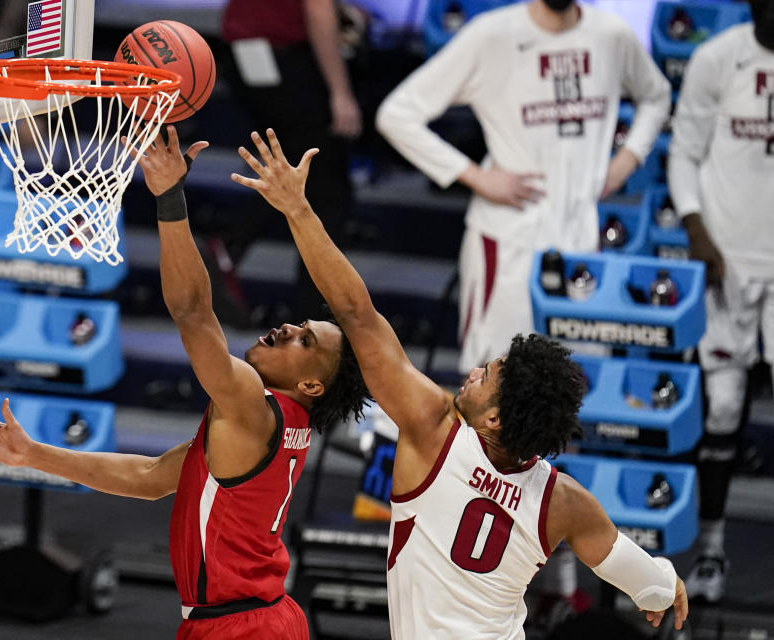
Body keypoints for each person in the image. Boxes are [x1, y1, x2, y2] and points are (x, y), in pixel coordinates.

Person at [229, 128, 688, 638]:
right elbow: (635, 571)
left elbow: (356, 313)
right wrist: (664, 586)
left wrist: (298, 210)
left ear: (494, 419)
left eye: (486, 376)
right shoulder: (565, 501)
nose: (472, 372)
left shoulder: (434, 429)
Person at [0, 126, 370, 639]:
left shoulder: (251, 408)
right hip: (256, 620)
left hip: (241, 627)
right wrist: (32, 454)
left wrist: (170, 196)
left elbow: (194, 313)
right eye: (301, 327)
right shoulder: (275, 424)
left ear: (311, 386)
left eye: (304, 342)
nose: (288, 329)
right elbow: (151, 476)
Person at [375, 0, 671, 374]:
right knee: (494, 384)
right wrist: (474, 176)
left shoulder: (610, 34)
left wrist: (628, 158)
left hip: (582, 242)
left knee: (576, 385)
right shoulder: (492, 34)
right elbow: (397, 113)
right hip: (508, 241)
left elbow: (656, 94)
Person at [667, 0, 774, 604]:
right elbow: (684, 152)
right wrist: (696, 229)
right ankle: (711, 549)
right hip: (727, 264)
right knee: (724, 411)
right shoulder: (717, 58)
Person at [220, 0, 362, 321]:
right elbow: (317, 10)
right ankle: (311, 320)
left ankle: (227, 248)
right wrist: (341, 92)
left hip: (244, 53)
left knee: (306, 180)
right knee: (326, 192)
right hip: (282, 57)